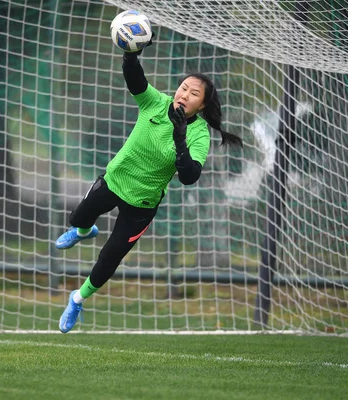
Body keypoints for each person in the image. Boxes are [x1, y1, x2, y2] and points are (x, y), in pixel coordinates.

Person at [56, 37, 243, 333]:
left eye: (194, 94)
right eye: (183, 88)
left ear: (202, 104)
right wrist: (131, 54)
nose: (185, 95)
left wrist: (180, 138)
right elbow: (135, 77)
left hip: (142, 204)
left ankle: (77, 299)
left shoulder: (200, 135)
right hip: (114, 180)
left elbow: (189, 176)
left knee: (110, 256)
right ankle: (83, 231)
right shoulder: (155, 102)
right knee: (77, 219)